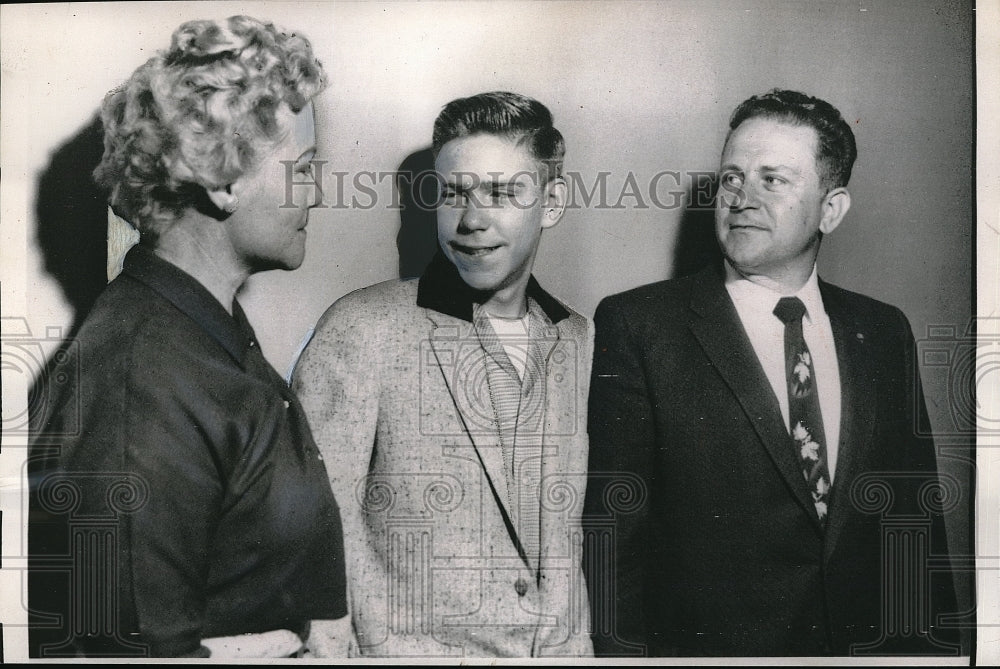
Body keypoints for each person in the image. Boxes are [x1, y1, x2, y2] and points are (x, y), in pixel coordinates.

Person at [583, 89, 959, 657]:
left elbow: (914, 528)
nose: (742, 198)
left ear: (831, 209)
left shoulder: (883, 331)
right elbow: (613, 541)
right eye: (732, 178)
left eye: (773, 180)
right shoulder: (639, 325)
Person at [28, 16, 348, 658]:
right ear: (224, 183)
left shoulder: (199, 335)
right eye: (304, 168)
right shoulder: (142, 381)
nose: (320, 192)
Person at [292, 91, 593, 657]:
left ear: (552, 202)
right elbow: (317, 535)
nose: (473, 219)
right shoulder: (362, 327)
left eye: (503, 192)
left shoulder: (579, 337)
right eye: (455, 193)